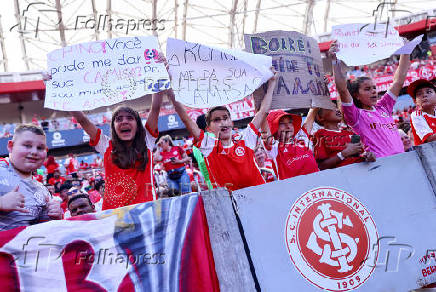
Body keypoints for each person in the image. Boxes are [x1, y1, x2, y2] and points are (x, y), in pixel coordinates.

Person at [166, 63, 278, 191]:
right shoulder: (207, 144)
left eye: (225, 118)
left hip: (260, 195)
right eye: (216, 120)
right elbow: (185, 117)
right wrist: (169, 85)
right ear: (209, 128)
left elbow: (263, 111)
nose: (223, 123)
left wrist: (272, 83)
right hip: (231, 204)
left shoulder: (246, 138)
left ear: (232, 122)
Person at [70, 78, 164, 210]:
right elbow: (82, 119)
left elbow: (155, 107)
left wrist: (159, 75)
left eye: (130, 118)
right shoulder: (105, 145)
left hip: (146, 212)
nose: (124, 122)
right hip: (113, 216)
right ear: (113, 127)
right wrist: (60, 91)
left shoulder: (147, 140)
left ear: (138, 125)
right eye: (119, 119)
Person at [329, 40, 411, 158]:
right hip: (380, 166)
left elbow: (398, 81)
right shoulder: (356, 115)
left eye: (374, 88)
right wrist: (335, 61)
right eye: (367, 89)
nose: (373, 91)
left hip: (403, 161)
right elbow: (342, 89)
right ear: (356, 95)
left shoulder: (383, 107)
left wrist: (406, 51)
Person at [0, 124, 62, 231]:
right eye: (27, 145)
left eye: (40, 148)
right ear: (11, 146)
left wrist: (56, 217)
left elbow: (43, 234)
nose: (34, 152)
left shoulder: (42, 190)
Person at [264, 109, 319, 180]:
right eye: (282, 123)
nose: (288, 126)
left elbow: (313, 110)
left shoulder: (302, 138)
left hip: (316, 187)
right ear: (274, 128)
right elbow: (263, 117)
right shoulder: (274, 148)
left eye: (290, 122)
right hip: (293, 190)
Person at [407, 79, 436, 146]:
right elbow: (429, 139)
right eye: (419, 94)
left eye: (428, 92)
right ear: (415, 101)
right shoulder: (416, 115)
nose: (424, 95)